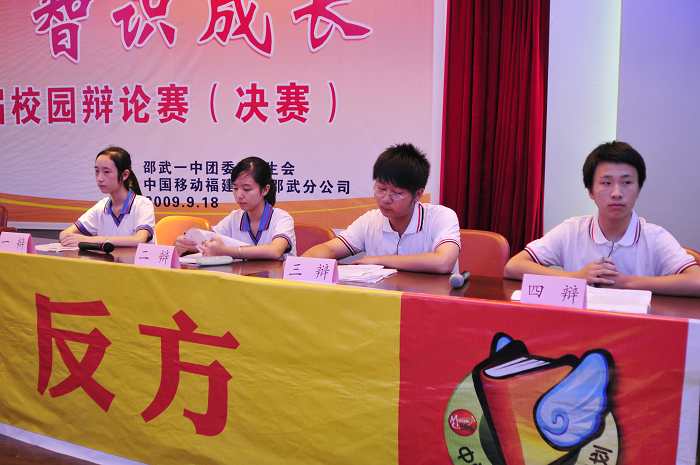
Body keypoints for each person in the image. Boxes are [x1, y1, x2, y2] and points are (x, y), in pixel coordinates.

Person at [504, 141, 700, 296]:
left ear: (639, 189)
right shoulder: (571, 230)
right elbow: (513, 266)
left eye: (627, 182)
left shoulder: (655, 237)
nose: (616, 193)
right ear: (590, 191)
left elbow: (697, 281)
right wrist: (576, 278)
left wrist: (626, 282)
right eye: (606, 183)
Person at [303, 143, 460, 274]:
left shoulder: (441, 217)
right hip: (382, 299)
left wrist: (378, 260)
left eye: (397, 193)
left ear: (418, 194)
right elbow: (329, 249)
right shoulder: (370, 220)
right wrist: (301, 265)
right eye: (381, 189)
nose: (385, 199)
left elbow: (443, 262)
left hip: (429, 299)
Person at [175, 156, 295, 260]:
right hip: (243, 278)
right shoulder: (234, 218)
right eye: (235, 188)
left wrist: (225, 251)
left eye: (246, 189)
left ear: (265, 190)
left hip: (277, 279)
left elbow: (275, 251)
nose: (239, 195)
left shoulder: (281, 218)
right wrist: (189, 244)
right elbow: (210, 242)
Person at [60, 147, 155, 247]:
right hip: (109, 258)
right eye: (97, 171)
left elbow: (139, 239)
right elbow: (64, 234)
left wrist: (89, 240)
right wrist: (70, 238)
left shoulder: (143, 204)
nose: (99, 178)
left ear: (125, 175)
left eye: (106, 172)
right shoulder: (101, 206)